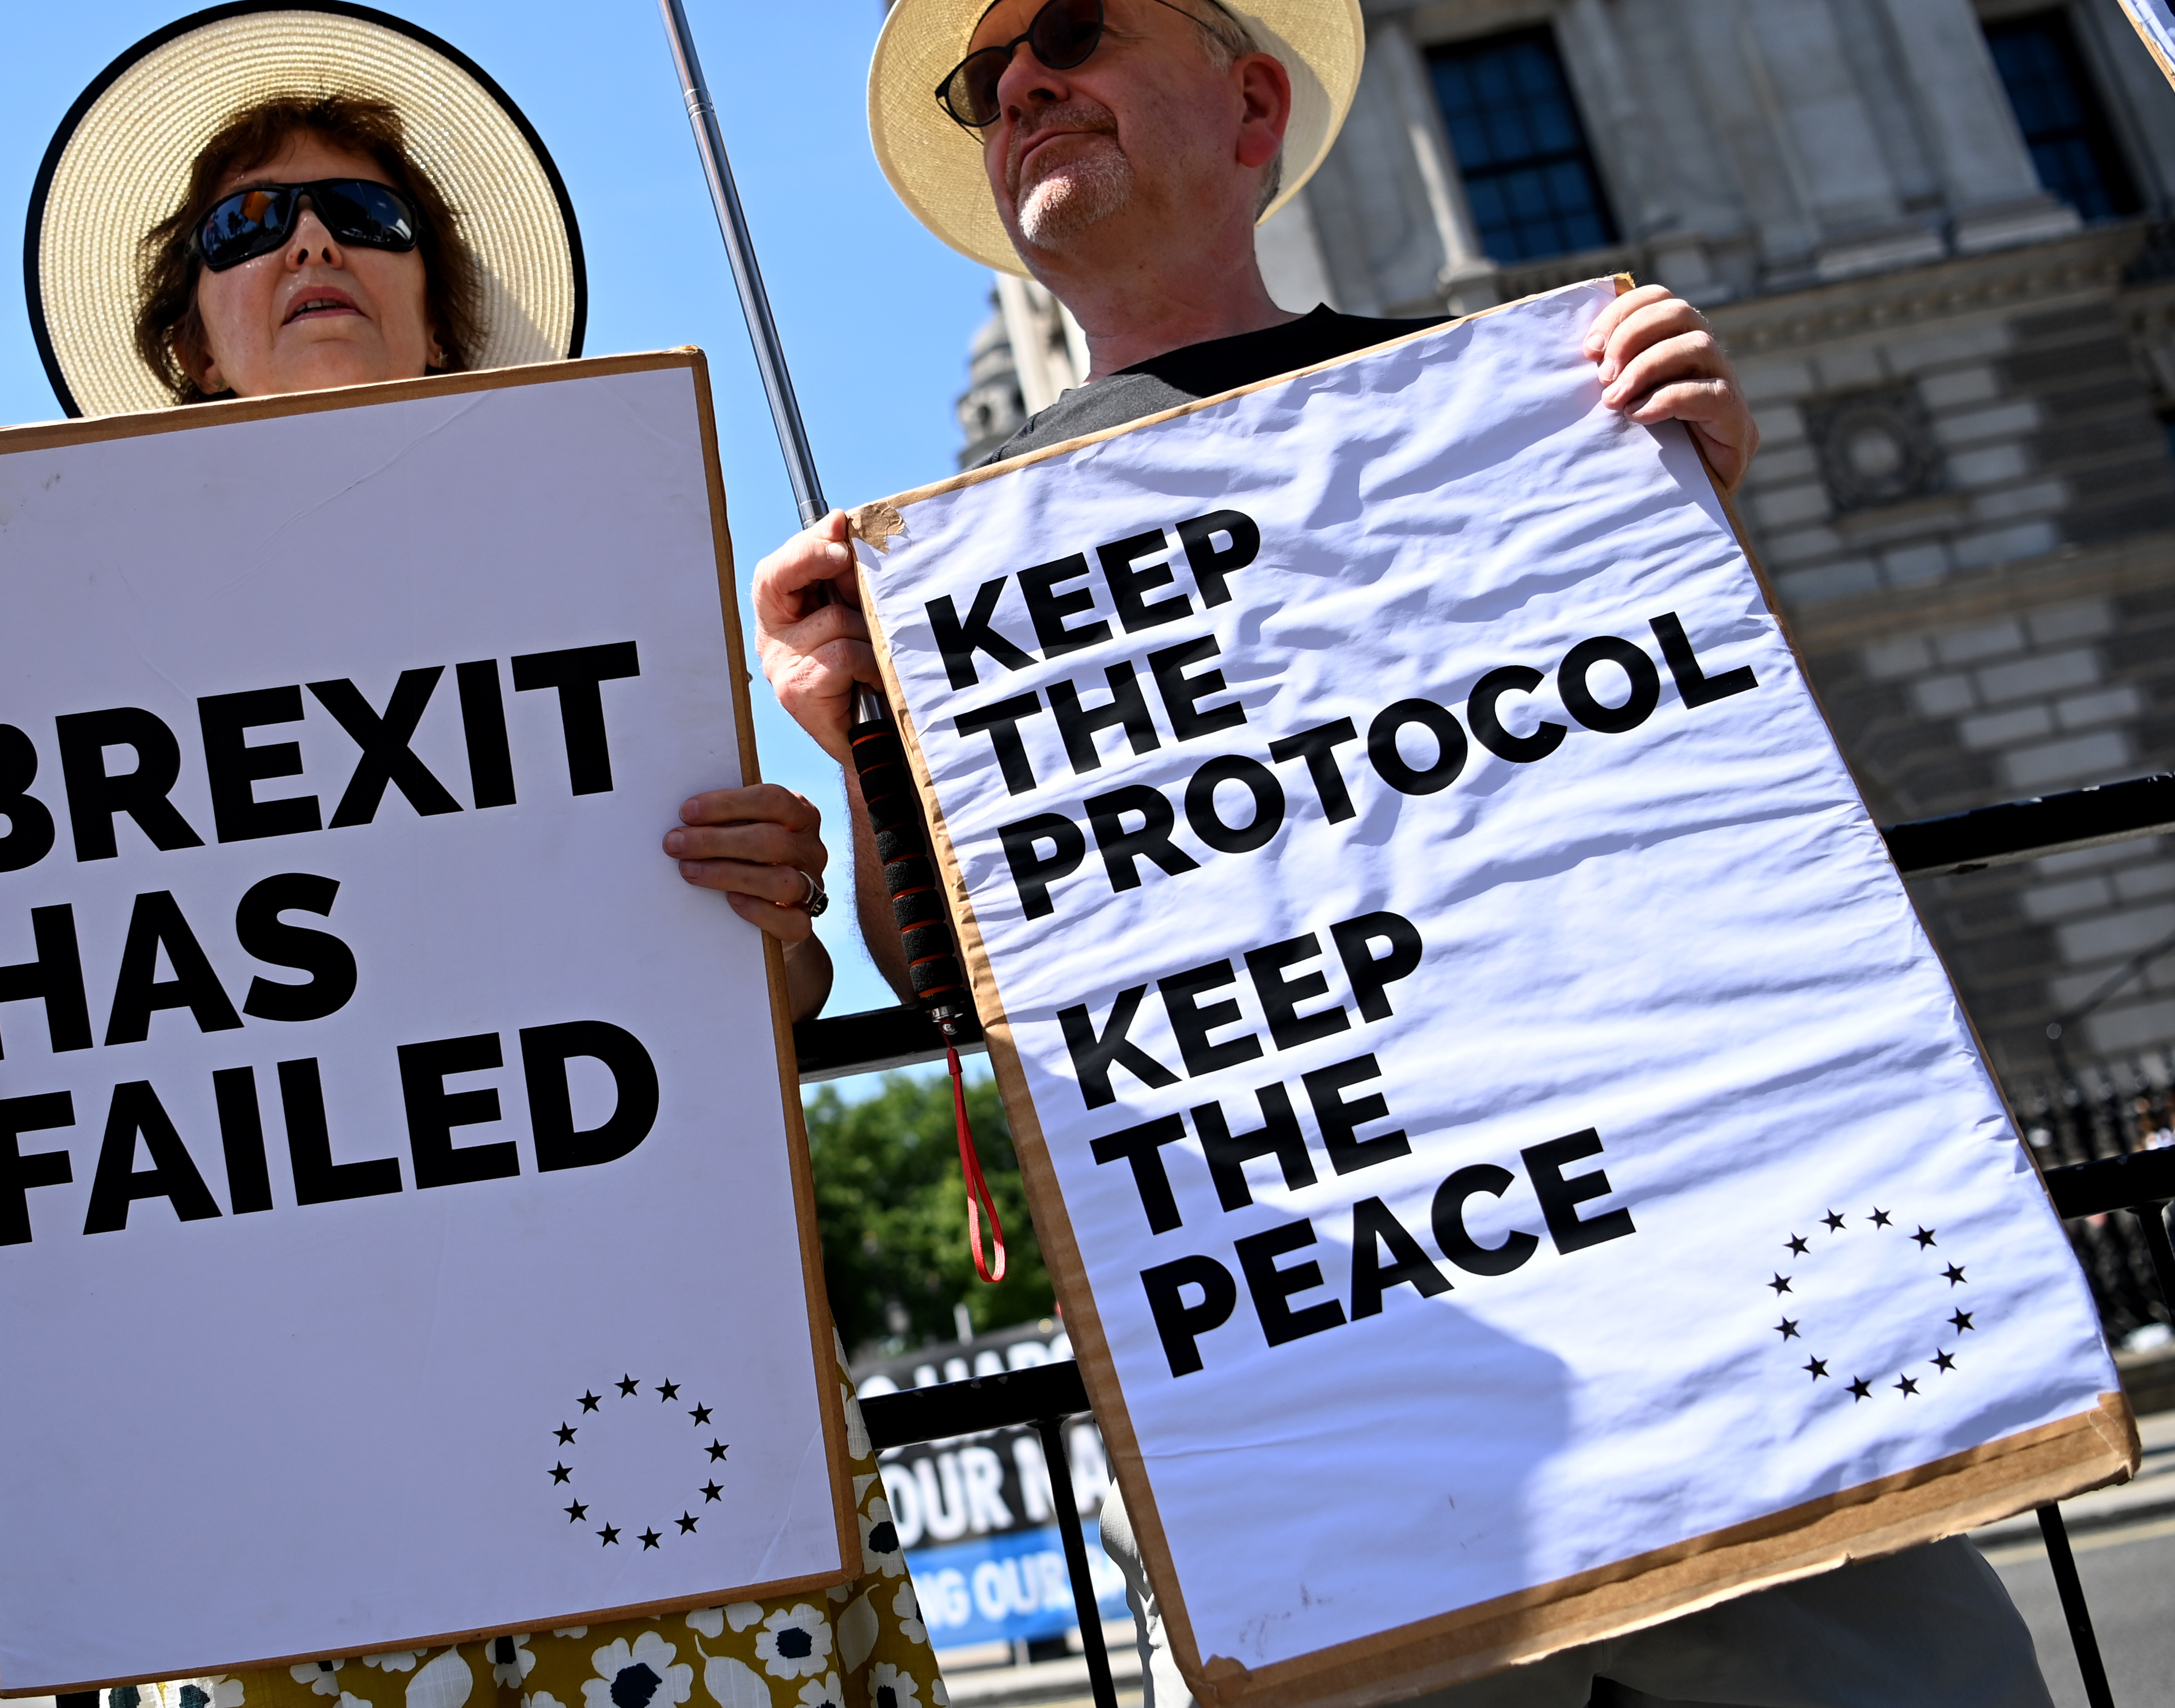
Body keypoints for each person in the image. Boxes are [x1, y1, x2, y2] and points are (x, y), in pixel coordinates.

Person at [756, 1, 2055, 1705]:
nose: (1017, 87)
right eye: (978, 82)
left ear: (1247, 107)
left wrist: (1683, 539)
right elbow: (951, 984)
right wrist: (852, 733)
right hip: (1351, 1469)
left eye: (1072, 28)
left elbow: (1715, 834)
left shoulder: (1525, 411)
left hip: (1723, 1374)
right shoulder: (952, 561)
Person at [0, 12, 926, 1708]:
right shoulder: (47, 664)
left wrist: (766, 909)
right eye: (244, 225)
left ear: (440, 314)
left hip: (646, 1431)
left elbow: (759, 1005)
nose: (305, 245)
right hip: (295, 1511)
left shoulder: (606, 585)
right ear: (190, 337)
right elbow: (42, 1029)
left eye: (367, 219)